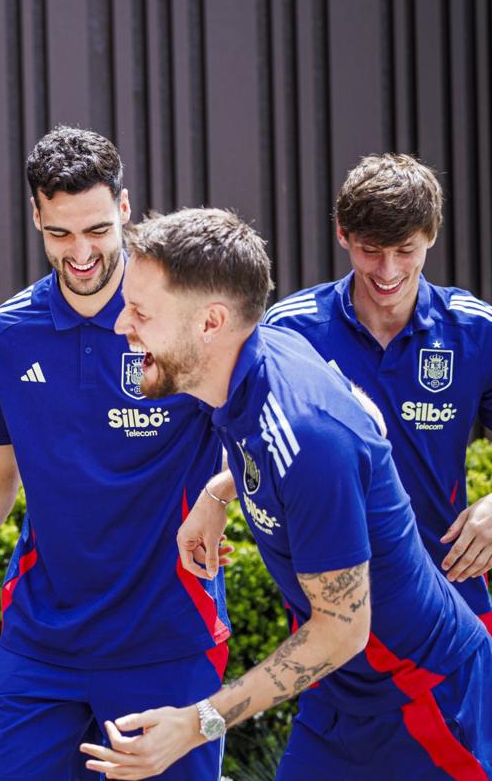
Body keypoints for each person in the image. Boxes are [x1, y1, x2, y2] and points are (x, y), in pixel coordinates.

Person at [86, 208, 491, 779]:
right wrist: (219, 493)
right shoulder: (257, 358)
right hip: (341, 696)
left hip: (426, 703)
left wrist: (197, 723)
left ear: (210, 322)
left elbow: (342, 629)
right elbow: (366, 420)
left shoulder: (307, 435)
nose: (121, 324)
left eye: (141, 312)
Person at [0, 127, 231, 780]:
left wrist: (219, 495)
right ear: (35, 216)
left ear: (123, 209)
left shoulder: (184, 321)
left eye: (94, 229)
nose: (80, 252)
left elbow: (259, 438)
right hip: (44, 641)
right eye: (60, 234)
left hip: (167, 637)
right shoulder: (6, 334)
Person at [263, 154, 492, 630]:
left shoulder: (474, 329)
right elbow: (249, 443)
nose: (388, 270)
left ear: (432, 234)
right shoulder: (290, 329)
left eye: (405, 249)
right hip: (329, 603)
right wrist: (216, 498)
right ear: (342, 234)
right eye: (371, 249)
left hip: (447, 593)